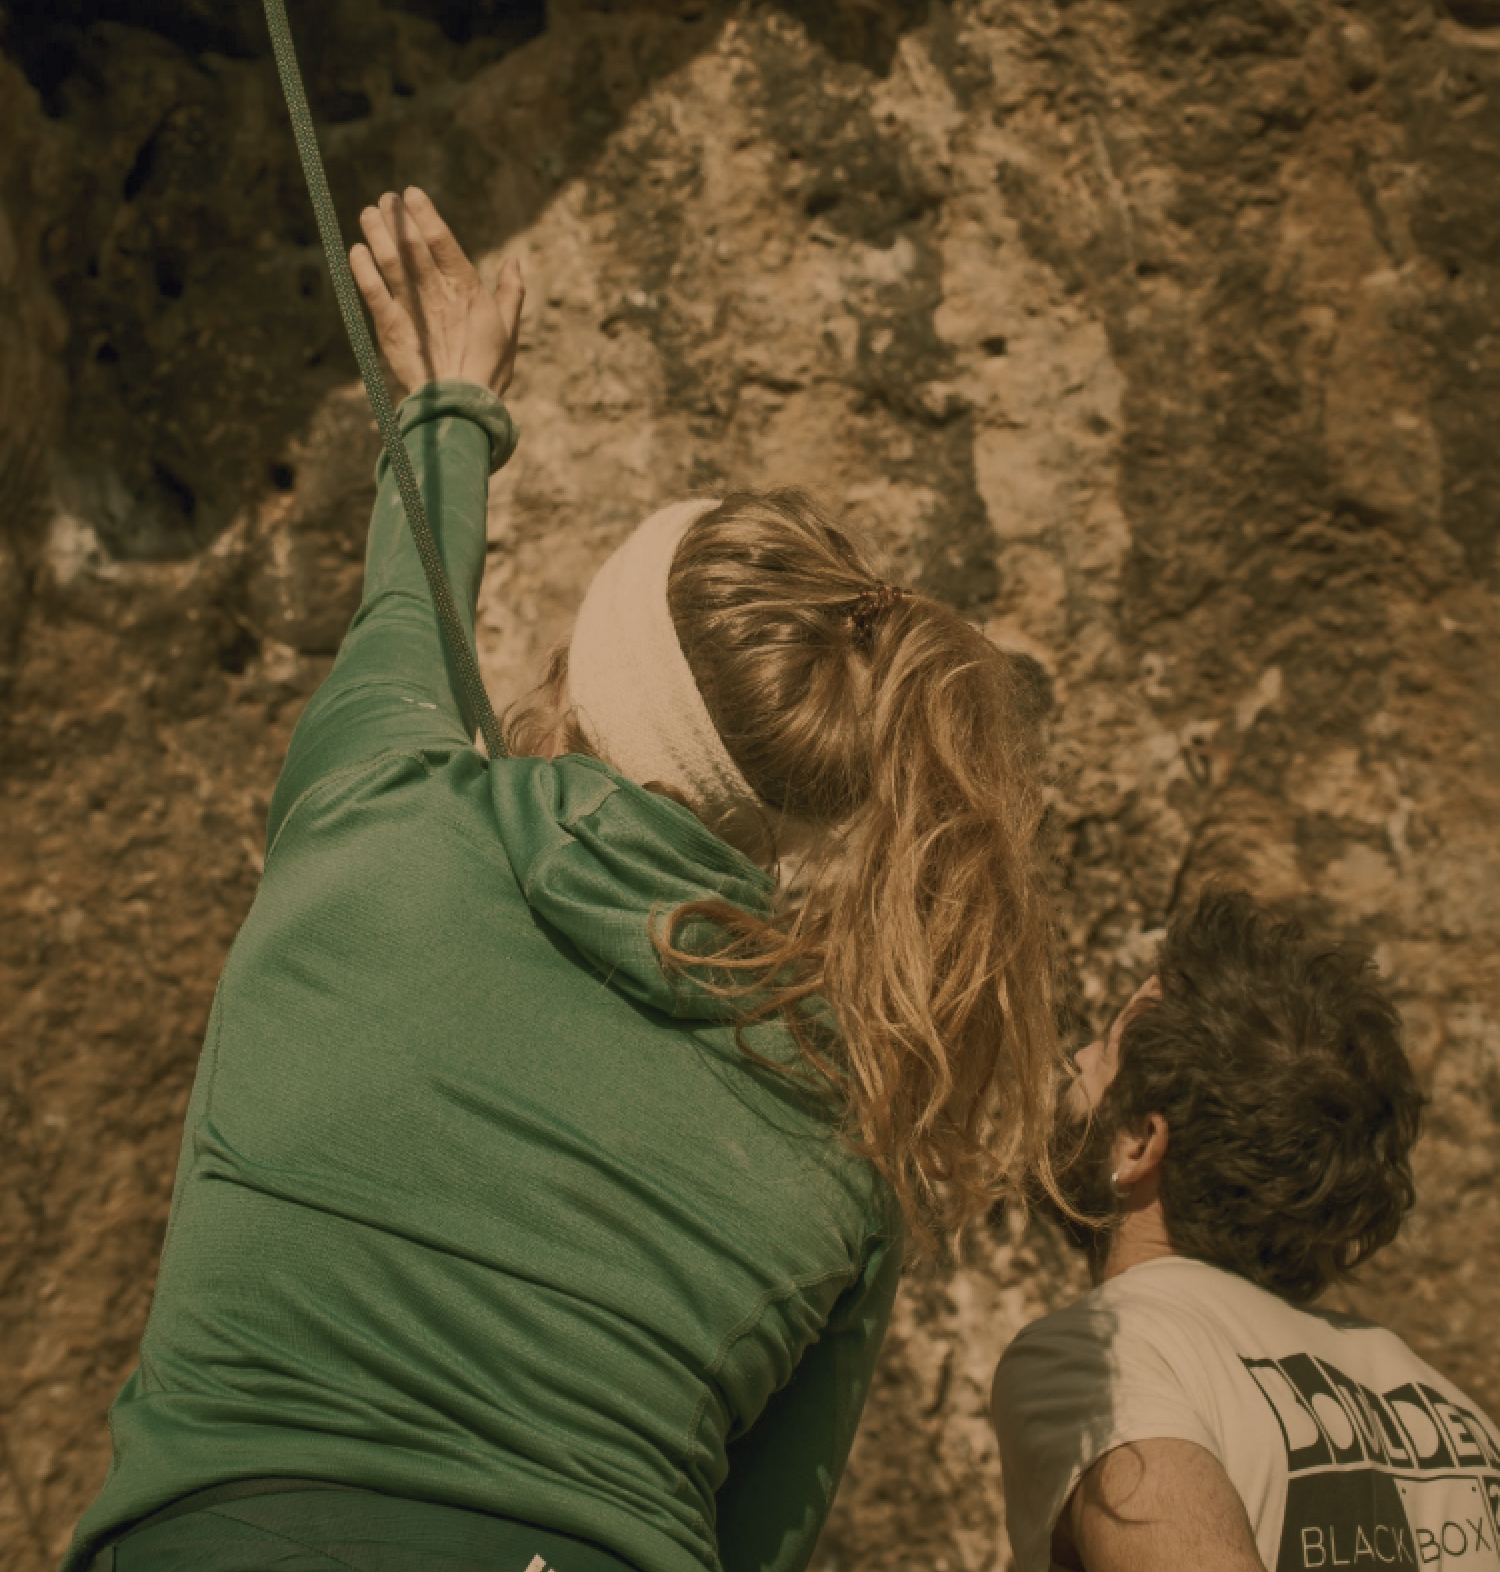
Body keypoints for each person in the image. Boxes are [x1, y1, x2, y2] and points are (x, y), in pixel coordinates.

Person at [63, 188, 1064, 1572]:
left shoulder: (382, 809)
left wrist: (454, 402)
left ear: (581, 672)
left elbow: (408, 606)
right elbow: (759, 1541)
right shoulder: (857, 1102)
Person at [991, 889, 1500, 1572]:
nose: (1075, 1059)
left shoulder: (1103, 1360)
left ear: (1141, 1143)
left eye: (1105, 1048)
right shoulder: (1458, 1417)